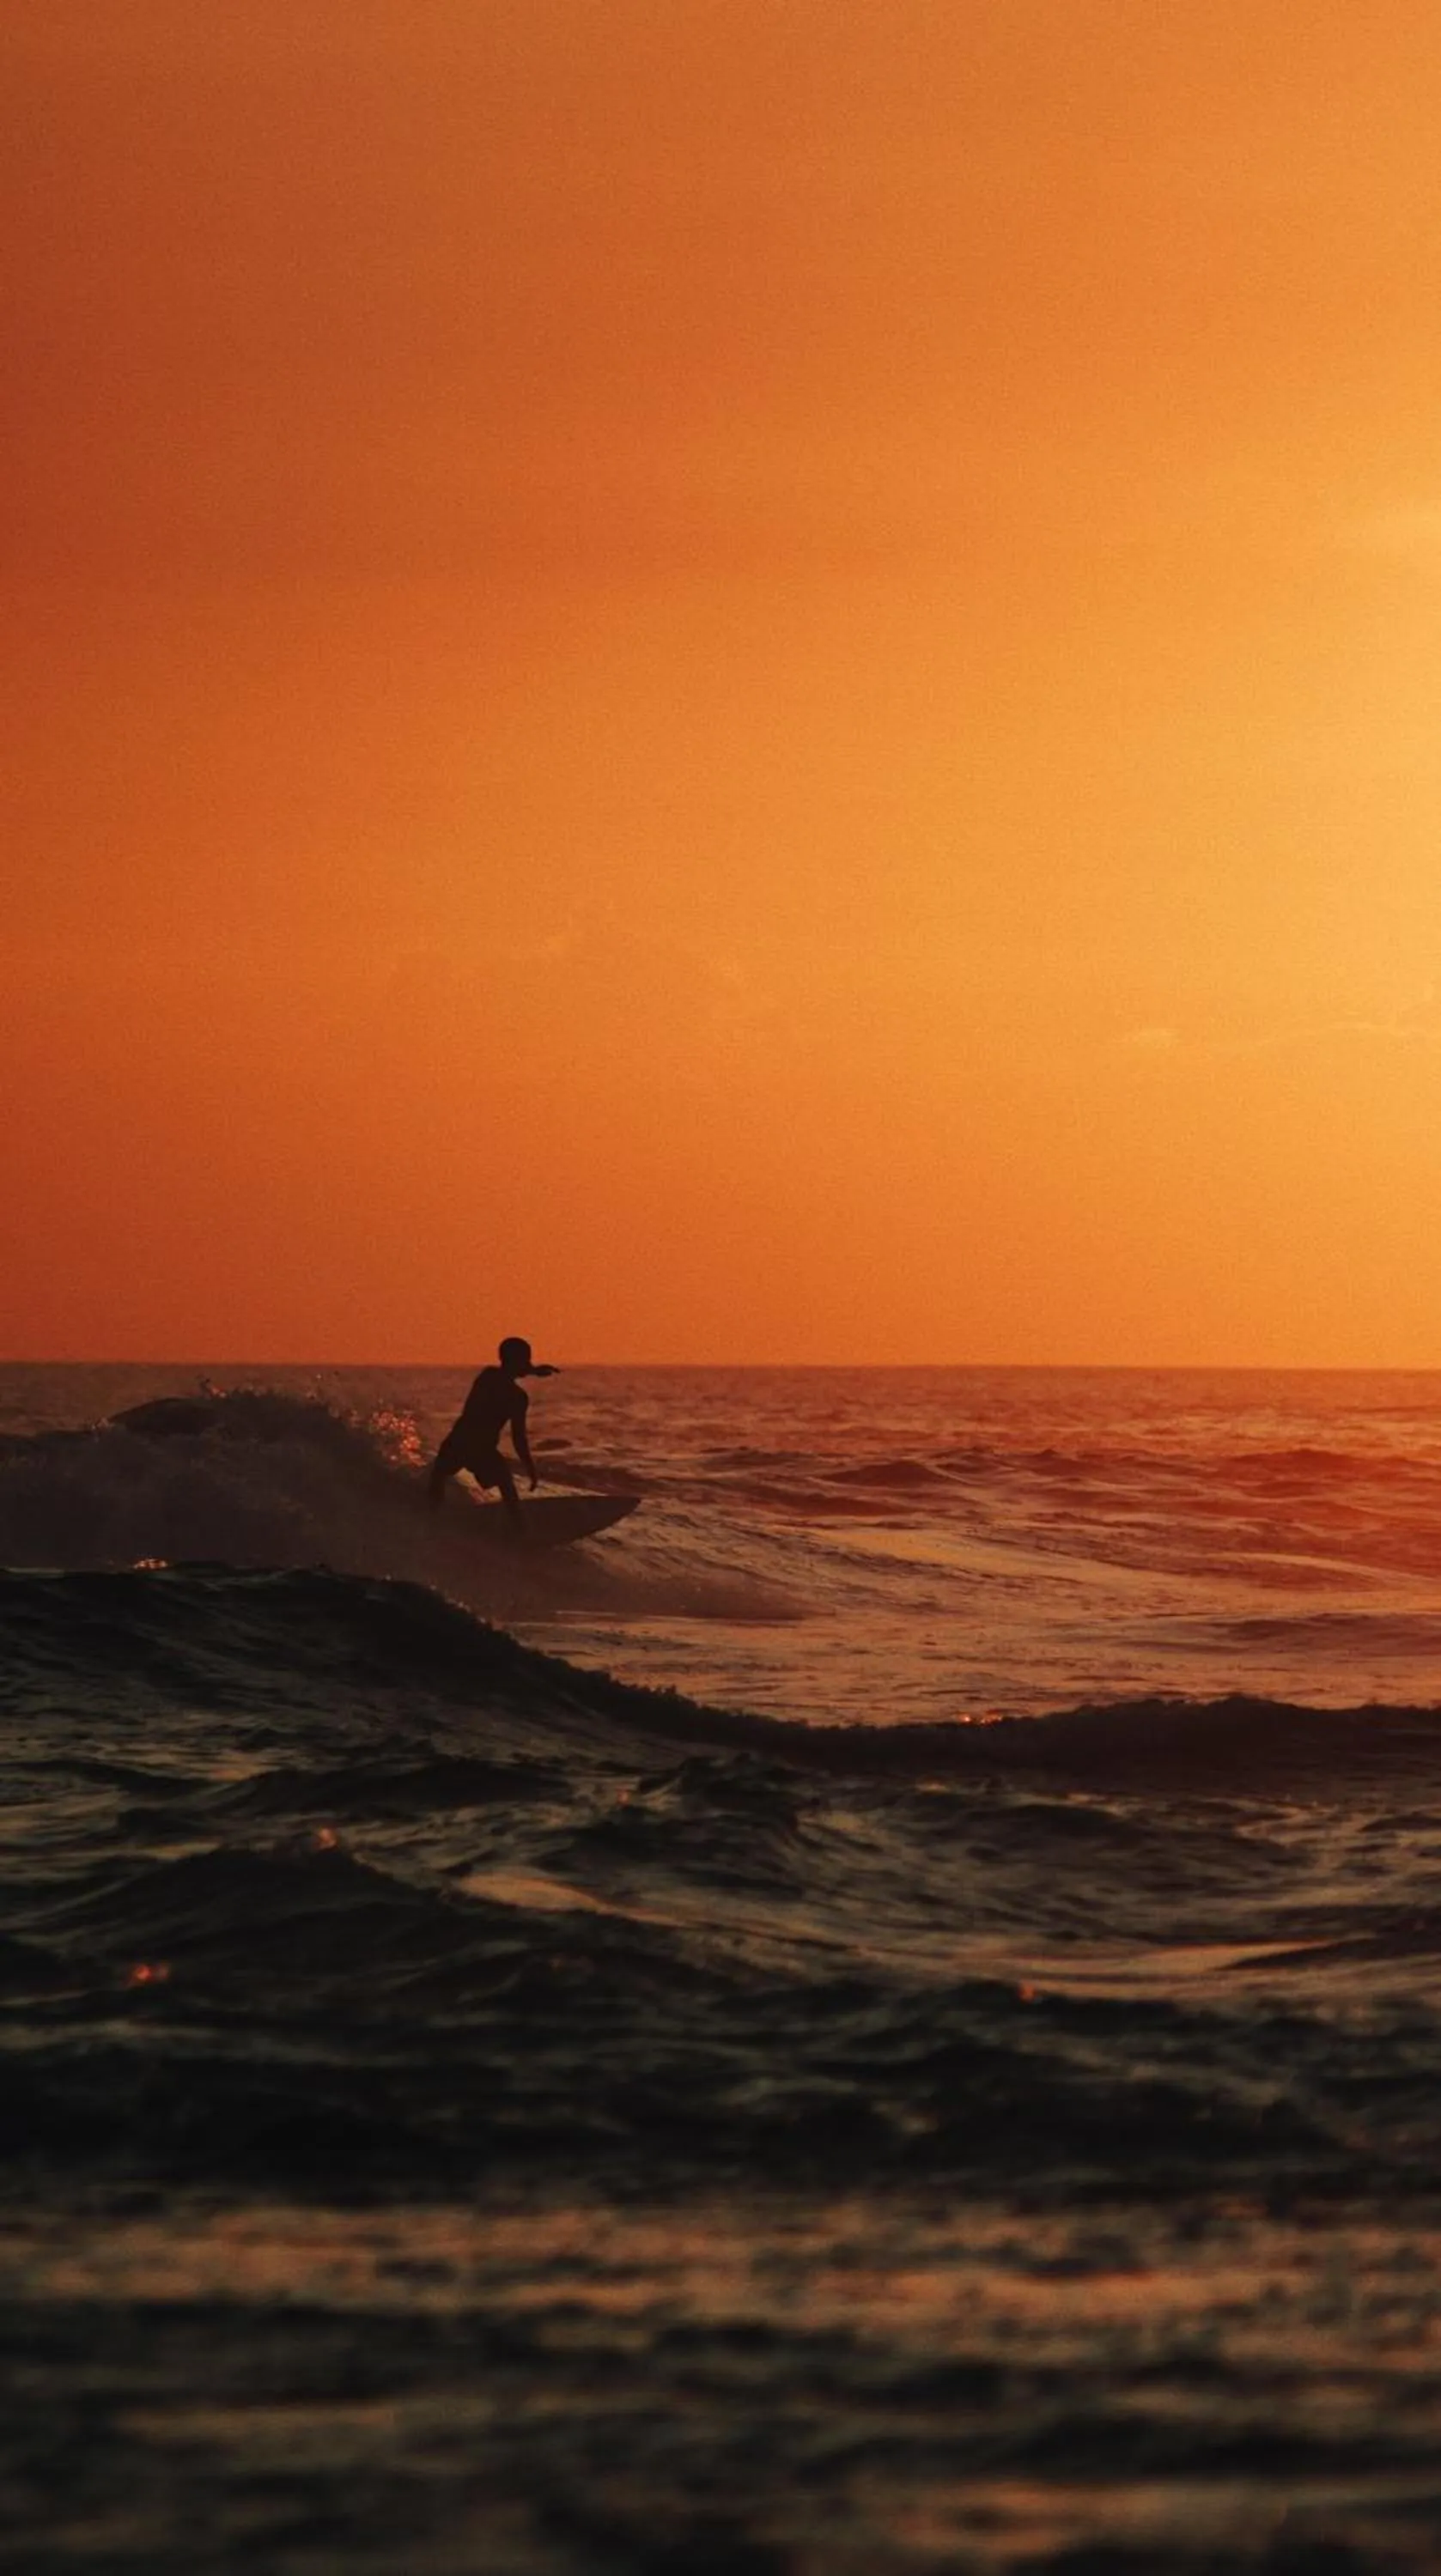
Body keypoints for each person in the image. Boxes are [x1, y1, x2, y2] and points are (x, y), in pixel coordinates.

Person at [427, 1337, 561, 1528]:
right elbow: (518, 1438)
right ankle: (518, 1528)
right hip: (481, 1449)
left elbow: (508, 1371)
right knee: (506, 1483)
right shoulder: (517, 1397)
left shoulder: (487, 1376)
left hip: (458, 1442)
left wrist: (533, 1370)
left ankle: (430, 1516)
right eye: (526, 1360)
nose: (529, 1364)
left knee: (439, 1476)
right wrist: (530, 1469)